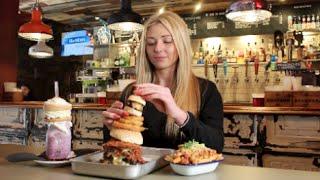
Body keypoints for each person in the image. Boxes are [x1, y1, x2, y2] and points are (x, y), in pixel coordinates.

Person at [102, 11, 224, 152]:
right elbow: (115, 149)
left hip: (188, 174)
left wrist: (179, 115)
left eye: (167, 41)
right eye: (151, 43)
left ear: (181, 45)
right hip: (142, 172)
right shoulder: (132, 92)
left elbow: (216, 145)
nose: (158, 48)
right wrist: (112, 128)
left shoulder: (206, 90)